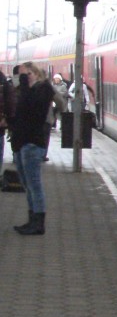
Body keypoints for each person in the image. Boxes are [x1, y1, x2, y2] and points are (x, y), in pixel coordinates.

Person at [10, 62, 54, 236]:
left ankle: (38, 223)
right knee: (27, 184)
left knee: (34, 184)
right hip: (21, 143)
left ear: (36, 73)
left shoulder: (43, 90)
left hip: (32, 143)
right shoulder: (25, 91)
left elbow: (33, 112)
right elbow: (20, 114)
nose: (24, 78)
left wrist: (24, 89)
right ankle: (31, 219)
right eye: (21, 75)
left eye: (27, 74)